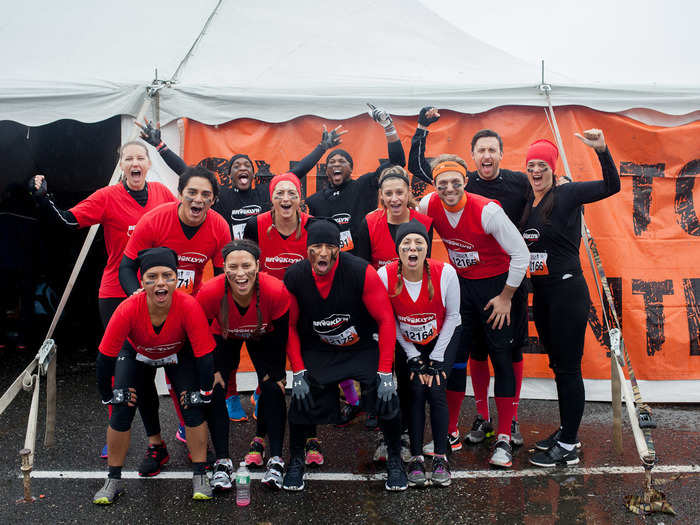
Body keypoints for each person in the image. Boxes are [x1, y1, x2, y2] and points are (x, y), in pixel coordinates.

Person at [138, 119, 343, 422]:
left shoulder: (266, 196)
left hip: (263, 287)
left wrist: (322, 149)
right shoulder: (220, 198)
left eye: (247, 164)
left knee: (269, 348)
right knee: (227, 345)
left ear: (255, 172)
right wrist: (160, 145)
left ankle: (265, 392)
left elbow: (294, 175)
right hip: (231, 280)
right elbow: (187, 173)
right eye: (236, 165)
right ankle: (231, 395)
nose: (243, 168)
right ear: (229, 176)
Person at [29, 140, 177, 457]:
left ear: (149, 164)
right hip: (115, 292)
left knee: (163, 366)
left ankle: (174, 434)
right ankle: (124, 436)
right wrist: (44, 199)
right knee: (126, 368)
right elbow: (68, 220)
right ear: (120, 165)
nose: (135, 163)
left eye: (140, 158)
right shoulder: (107, 196)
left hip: (158, 291)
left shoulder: (164, 195)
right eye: (128, 159)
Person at [408, 108, 534, 448]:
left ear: (466, 181)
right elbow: (408, 232)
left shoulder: (488, 209)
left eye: (455, 182)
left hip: (498, 288)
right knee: (461, 357)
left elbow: (521, 254)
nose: (449, 189)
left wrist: (507, 296)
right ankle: (453, 430)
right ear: (435, 186)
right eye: (442, 183)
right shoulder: (428, 204)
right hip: (463, 290)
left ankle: (506, 434)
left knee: (503, 357)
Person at [282, 218, 407, 492]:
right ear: (307, 249)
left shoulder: (360, 271)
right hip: (320, 348)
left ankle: (396, 459)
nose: (323, 253)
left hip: (360, 347)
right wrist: (298, 369)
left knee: (386, 394)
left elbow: (386, 320)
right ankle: (297, 460)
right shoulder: (295, 276)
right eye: (316, 246)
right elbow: (289, 326)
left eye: (329, 246)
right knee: (301, 398)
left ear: (339, 249)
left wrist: (386, 370)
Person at [521, 130, 620, 467]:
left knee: (568, 369)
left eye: (542, 166)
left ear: (553, 168)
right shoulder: (529, 202)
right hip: (545, 297)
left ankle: (569, 446)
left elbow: (611, 186)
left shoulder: (565, 194)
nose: (536, 171)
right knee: (558, 367)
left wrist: (603, 150)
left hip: (566, 293)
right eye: (531, 165)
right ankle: (567, 430)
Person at [119, 166, 230, 458]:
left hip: (188, 310)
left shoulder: (218, 226)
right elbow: (127, 267)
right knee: (141, 379)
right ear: (180, 194)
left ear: (214, 200)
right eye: (192, 192)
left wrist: (214, 321)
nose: (198, 199)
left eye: (206, 194)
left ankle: (190, 429)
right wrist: (137, 298)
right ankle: (155, 443)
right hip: (151, 308)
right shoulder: (154, 220)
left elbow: (221, 279)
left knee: (187, 376)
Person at [306, 105, 405, 429]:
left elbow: (397, 163)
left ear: (351, 169)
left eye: (342, 162)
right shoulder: (316, 202)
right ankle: (349, 401)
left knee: (369, 341)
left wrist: (388, 128)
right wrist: (322, 147)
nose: (336, 165)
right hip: (332, 280)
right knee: (336, 338)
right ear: (325, 170)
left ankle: (374, 406)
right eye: (332, 162)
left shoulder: (363, 187)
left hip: (362, 277)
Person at [92, 247, 216, 504]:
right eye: (152, 277)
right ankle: (113, 478)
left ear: (176, 278)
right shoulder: (128, 308)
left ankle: (200, 474)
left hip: (177, 352)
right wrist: (107, 395)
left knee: (192, 403)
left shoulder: (188, 305)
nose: (160, 283)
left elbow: (204, 355)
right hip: (136, 351)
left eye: (167, 276)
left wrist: (204, 392)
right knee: (122, 405)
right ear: (142, 281)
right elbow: (105, 358)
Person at [196, 239, 290, 490]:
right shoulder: (210, 291)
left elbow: (281, 338)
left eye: (246, 265)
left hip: (264, 334)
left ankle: (277, 458)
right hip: (224, 335)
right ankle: (223, 462)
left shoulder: (276, 290)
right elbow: (198, 336)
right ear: (224, 268)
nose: (240, 273)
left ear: (258, 266)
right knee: (215, 388)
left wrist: (278, 374)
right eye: (232, 267)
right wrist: (208, 372)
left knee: (273, 387)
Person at [354, 165, 433, 461]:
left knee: (409, 375)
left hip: (412, 309)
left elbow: (425, 267)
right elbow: (362, 269)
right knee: (382, 374)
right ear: (381, 196)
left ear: (408, 193)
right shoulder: (368, 222)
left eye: (400, 192)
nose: (395, 198)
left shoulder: (424, 221)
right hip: (380, 310)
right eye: (389, 193)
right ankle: (387, 438)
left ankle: (410, 435)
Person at [377, 220, 461, 487]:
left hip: (441, 339)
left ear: (427, 248)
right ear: (398, 249)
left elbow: (453, 317)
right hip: (407, 343)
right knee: (413, 391)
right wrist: (412, 355)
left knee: (436, 389)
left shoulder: (445, 272)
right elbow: (389, 322)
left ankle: (440, 456)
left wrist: (436, 358)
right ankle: (414, 457)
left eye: (419, 243)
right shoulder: (385, 275)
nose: (412, 248)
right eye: (406, 244)